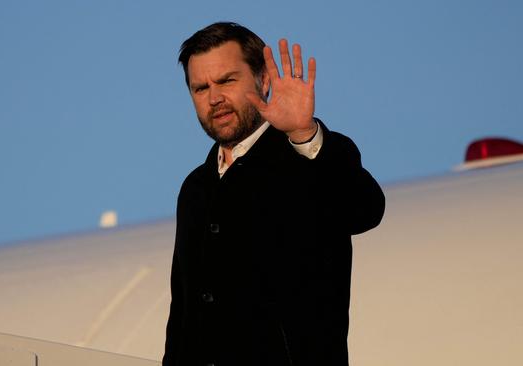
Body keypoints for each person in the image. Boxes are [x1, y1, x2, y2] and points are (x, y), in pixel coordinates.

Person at [163, 22, 384, 366]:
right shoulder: (195, 190)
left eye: (226, 80)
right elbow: (182, 317)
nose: (214, 97)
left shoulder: (306, 156)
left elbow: (365, 209)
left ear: (263, 80)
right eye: (200, 88)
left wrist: (303, 133)